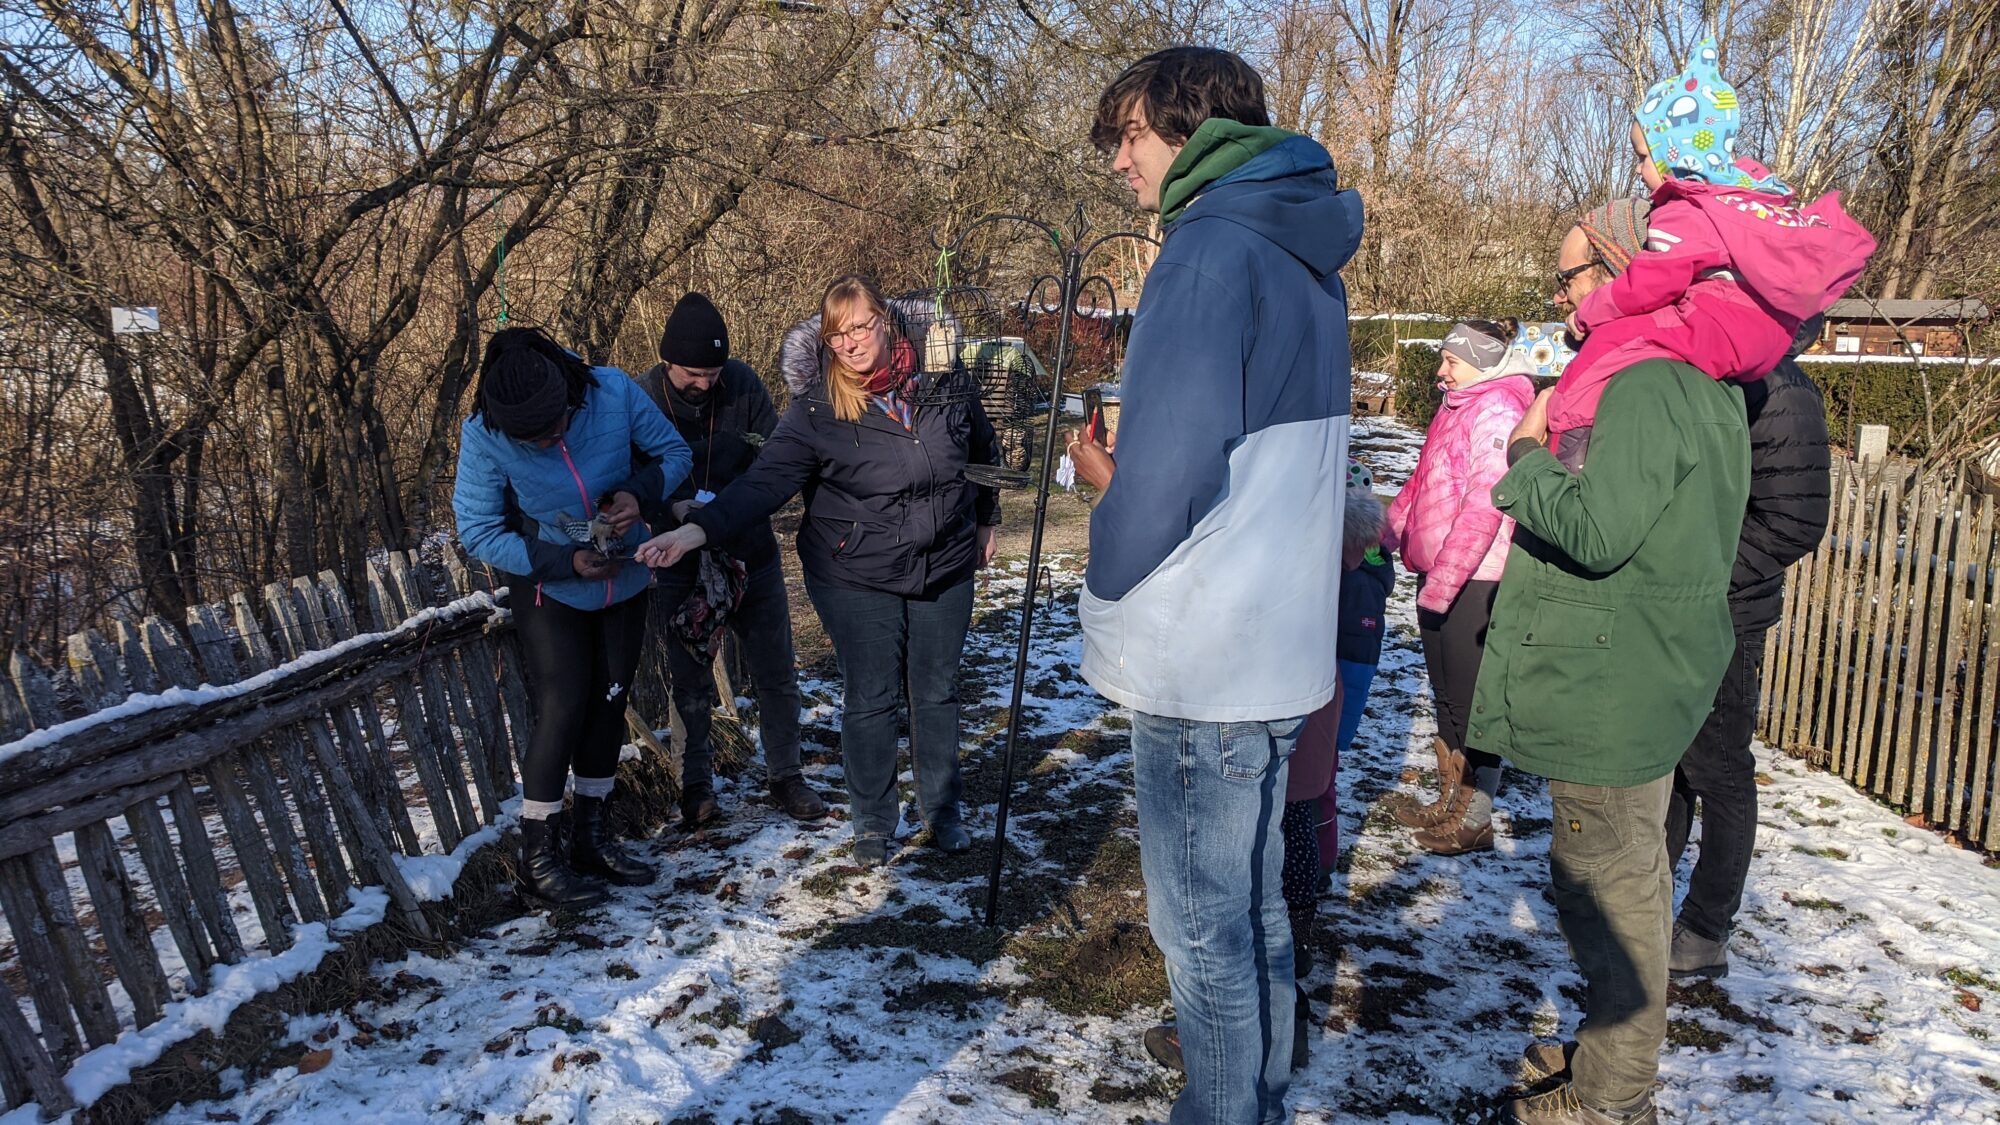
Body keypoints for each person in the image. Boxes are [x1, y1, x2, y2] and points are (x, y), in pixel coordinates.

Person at [1068, 46, 1361, 1125]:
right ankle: (1260, 1096)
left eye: (1129, 136)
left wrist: (1107, 527)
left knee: (1201, 933)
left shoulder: (1206, 252)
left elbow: (1169, 481)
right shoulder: (1304, 253)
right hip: (1277, 647)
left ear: (1191, 130)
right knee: (1254, 906)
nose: (1119, 162)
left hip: (1206, 656)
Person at [1475, 215, 1751, 1124]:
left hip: (1611, 679)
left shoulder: (1646, 382)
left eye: (1569, 277)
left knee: (1611, 886)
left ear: (1627, 268)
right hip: (1638, 667)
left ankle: (1611, 1100)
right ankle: (1608, 1061)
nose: (1560, 296)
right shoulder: (1693, 374)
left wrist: (1523, 458)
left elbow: (1597, 531)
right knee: (1621, 869)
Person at [637, 276, 1001, 870]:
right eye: (837, 334)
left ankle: (942, 811)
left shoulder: (945, 381)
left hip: (945, 560)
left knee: (936, 690)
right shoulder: (816, 408)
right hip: (855, 569)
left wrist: (986, 518)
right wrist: (698, 529)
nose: (850, 343)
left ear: (886, 320)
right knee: (872, 695)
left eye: (860, 327)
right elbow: (764, 482)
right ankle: (874, 821)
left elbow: (981, 450)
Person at [1544, 36, 1874, 469]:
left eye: (1643, 157)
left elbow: (1650, 284)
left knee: (1608, 344)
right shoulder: (1736, 199)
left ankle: (1566, 446)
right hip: (1766, 335)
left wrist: (1590, 314)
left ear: (1675, 154)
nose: (1638, 170)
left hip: (1720, 325)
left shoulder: (1684, 211)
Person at [453, 326, 692, 907]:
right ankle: (538, 859)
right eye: (532, 439)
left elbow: (675, 454)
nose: (548, 441)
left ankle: (593, 838)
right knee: (563, 706)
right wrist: (564, 561)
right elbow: (478, 530)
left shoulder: (612, 391)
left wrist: (639, 493)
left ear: (568, 393)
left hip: (622, 576)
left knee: (611, 699)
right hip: (549, 583)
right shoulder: (483, 433)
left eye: (556, 426)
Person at [1666, 314, 1832, 978]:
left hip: (1728, 614)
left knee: (1719, 768)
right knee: (1670, 759)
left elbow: (1794, 521)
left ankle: (1706, 927)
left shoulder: (1782, 388)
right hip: (1678, 603)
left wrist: (1703, 578)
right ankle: (1644, 902)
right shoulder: (1726, 374)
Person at [633, 293, 828, 827]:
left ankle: (786, 775)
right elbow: (633, 476)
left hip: (750, 551)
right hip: (679, 561)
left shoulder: (743, 384)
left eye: (713, 373)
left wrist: (729, 508)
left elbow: (775, 461)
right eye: (693, 374)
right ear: (667, 361)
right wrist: (674, 507)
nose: (704, 383)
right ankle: (695, 788)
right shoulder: (643, 398)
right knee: (690, 681)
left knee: (775, 671)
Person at [1382, 321, 1536, 855]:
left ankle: (1476, 818)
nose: (1441, 370)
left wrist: (1445, 579)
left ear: (1483, 362)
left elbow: (1484, 507)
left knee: (1473, 703)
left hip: (1476, 576)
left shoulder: (1497, 409)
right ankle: (1449, 802)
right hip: (1441, 574)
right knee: (1446, 694)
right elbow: (1421, 483)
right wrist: (1385, 534)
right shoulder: (1455, 406)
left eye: (1452, 360)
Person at [1319, 471, 1394, 875]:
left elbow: (1356, 659)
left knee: (1320, 779)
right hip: (1341, 670)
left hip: (1338, 674)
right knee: (1320, 776)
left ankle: (1319, 863)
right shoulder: (1370, 568)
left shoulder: (1353, 578)